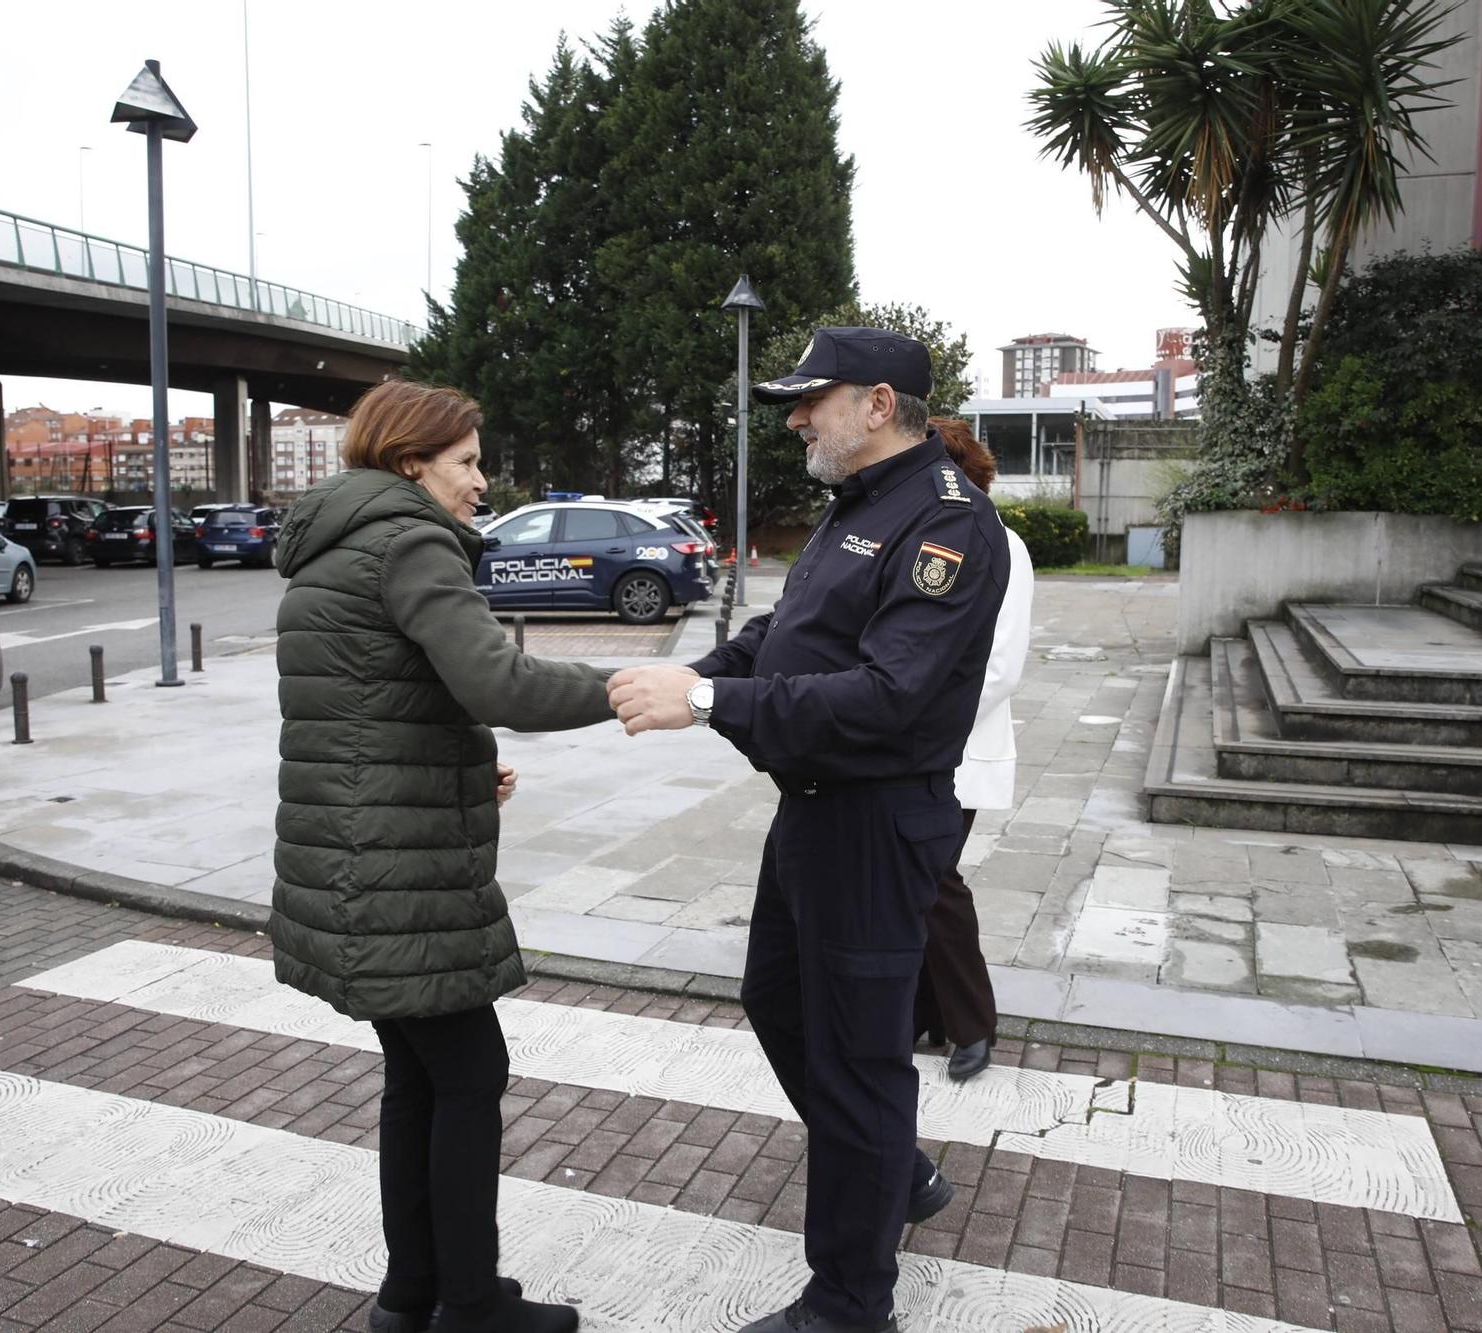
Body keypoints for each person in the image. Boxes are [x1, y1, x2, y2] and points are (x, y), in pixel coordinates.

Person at [607, 328, 1009, 1333]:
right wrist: (697, 675)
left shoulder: (950, 527)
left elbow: (884, 697)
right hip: (814, 814)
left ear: (878, 404)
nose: (793, 417)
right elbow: (786, 640)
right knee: (776, 999)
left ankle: (846, 1303)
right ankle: (895, 1170)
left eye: (809, 399)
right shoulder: (856, 507)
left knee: (859, 1060)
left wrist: (705, 704)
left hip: (875, 823)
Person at [271, 380, 610, 1333]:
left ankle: (410, 1293)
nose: (481, 478)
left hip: (352, 859)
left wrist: (458, 763)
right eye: (466, 460)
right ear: (412, 463)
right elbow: (497, 678)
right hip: (400, 875)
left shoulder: (330, 549)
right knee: (467, 1077)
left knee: (416, 1079)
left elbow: (368, 706)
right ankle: (470, 1304)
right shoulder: (410, 541)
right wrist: (628, 683)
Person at [914, 417, 1034, 1082]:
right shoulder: (924, 532)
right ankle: (932, 1013)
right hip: (911, 744)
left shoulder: (1002, 542)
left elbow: (1002, 665)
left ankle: (971, 1023)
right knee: (917, 879)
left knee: (932, 878)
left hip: (954, 745)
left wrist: (918, 720)